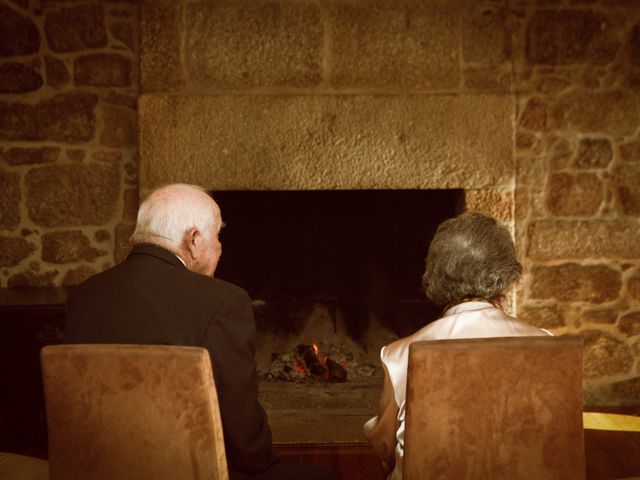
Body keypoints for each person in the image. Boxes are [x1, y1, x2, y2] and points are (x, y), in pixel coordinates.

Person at [65, 184, 333, 480]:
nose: (220, 249)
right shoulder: (222, 301)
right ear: (193, 240)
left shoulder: (83, 296)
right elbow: (247, 444)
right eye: (217, 238)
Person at [363, 211, 551, 480]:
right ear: (507, 272)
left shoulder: (401, 354)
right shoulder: (546, 344)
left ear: (436, 273)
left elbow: (385, 447)